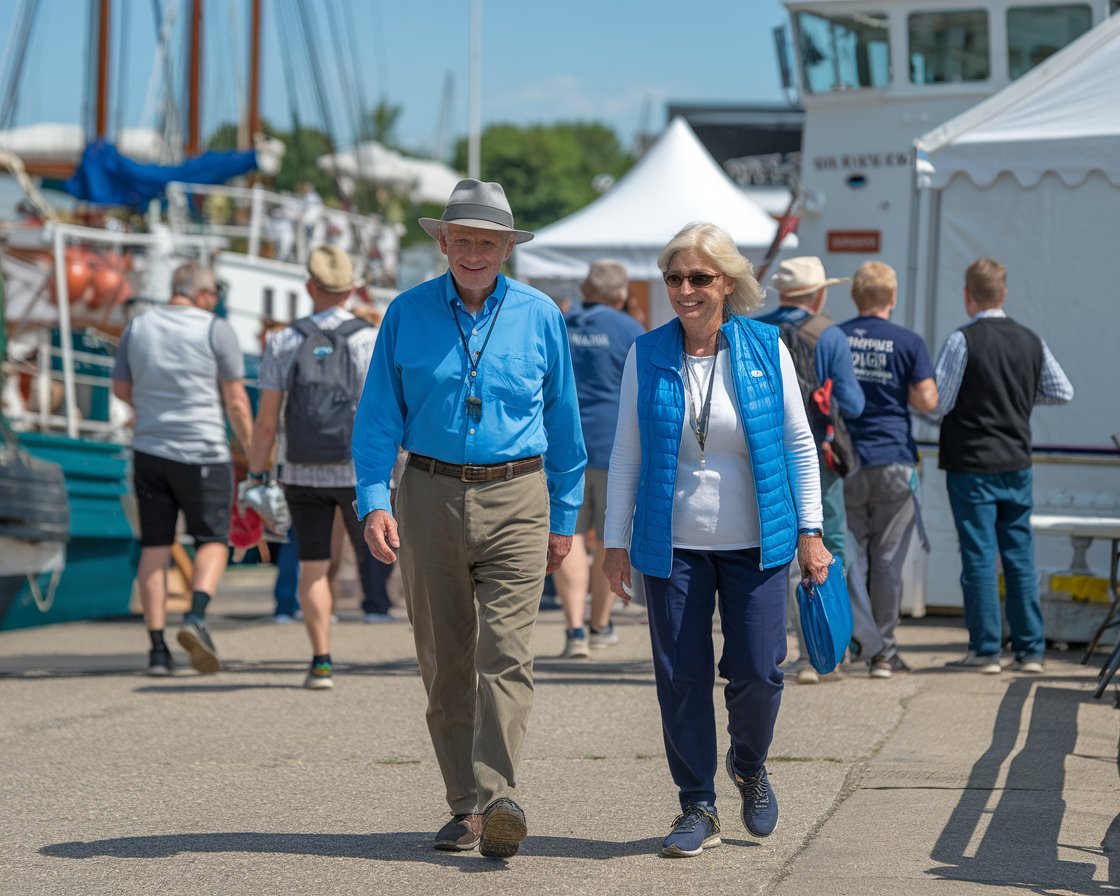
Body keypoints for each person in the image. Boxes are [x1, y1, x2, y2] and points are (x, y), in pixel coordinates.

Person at [353, 179, 586, 859]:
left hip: (519, 495)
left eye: (489, 242)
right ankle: (465, 807)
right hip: (426, 494)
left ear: (507, 248)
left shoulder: (542, 315)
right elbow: (376, 421)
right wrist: (373, 501)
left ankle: (498, 798)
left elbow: (565, 425)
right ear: (444, 244)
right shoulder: (406, 313)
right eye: (464, 241)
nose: (475, 253)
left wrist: (565, 515)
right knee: (444, 663)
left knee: (507, 654)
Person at [603, 223, 828, 858]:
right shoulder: (645, 353)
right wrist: (615, 542)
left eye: (700, 278)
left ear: (728, 283)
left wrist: (811, 531)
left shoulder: (766, 347)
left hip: (757, 544)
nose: (685, 290)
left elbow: (798, 445)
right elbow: (626, 453)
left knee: (758, 671)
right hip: (671, 545)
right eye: (674, 278)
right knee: (681, 677)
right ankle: (696, 802)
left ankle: (750, 767)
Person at [245, 244, 379, 690]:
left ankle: (321, 661)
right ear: (350, 290)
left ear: (309, 287)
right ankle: (422, 651)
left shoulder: (283, 340)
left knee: (313, 565)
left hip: (300, 469)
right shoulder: (369, 338)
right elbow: (383, 412)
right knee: (391, 556)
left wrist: (256, 474)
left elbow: (266, 422)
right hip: (360, 472)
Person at [111, 261, 253, 676]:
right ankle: (195, 616)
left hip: (149, 451)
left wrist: (151, 411)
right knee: (212, 538)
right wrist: (255, 455)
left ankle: (157, 651)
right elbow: (237, 402)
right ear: (205, 295)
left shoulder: (137, 327)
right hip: (203, 453)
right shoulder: (215, 329)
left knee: (155, 546)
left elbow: (121, 389)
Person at [934, 258, 1073, 674]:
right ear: (1004, 293)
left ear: (967, 295)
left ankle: (985, 651)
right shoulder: (1031, 339)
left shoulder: (962, 340)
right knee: (1019, 556)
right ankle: (1030, 651)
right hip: (1016, 462)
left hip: (971, 462)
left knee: (978, 556)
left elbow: (940, 402)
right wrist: (1020, 401)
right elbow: (1061, 391)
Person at [757, 256, 864, 684]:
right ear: (818, 294)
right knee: (827, 542)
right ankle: (822, 650)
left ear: (782, 292)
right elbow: (853, 404)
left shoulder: (756, 330)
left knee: (769, 553)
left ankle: (770, 650)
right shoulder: (829, 334)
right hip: (815, 456)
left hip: (763, 456)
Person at [838, 262, 938, 679]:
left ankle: (847, 645)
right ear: (891, 299)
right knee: (888, 561)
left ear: (856, 297)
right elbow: (928, 401)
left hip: (844, 462)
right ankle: (884, 654)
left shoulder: (836, 337)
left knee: (849, 556)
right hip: (894, 459)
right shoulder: (908, 341)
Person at [552, 259, 644, 658]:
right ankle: (600, 625)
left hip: (562, 445)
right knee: (611, 538)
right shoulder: (631, 331)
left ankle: (573, 630)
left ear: (587, 290)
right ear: (622, 296)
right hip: (615, 446)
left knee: (567, 536)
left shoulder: (561, 324)